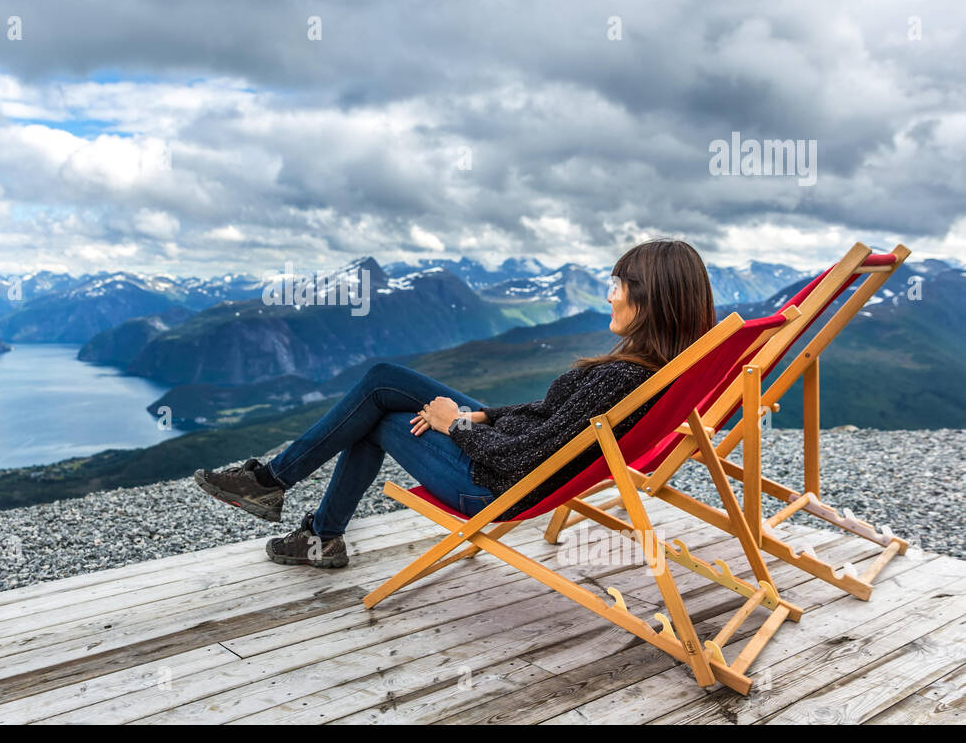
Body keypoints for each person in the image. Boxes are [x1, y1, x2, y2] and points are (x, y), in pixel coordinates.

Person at [193, 239, 718, 569]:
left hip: (496, 483)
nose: (610, 296)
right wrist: (484, 414)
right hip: (510, 453)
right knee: (384, 381)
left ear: (650, 297)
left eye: (618, 285)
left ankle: (298, 511)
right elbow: (552, 423)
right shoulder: (661, 371)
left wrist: (454, 426)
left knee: (377, 410)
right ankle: (290, 504)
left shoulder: (621, 379)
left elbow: (528, 459)